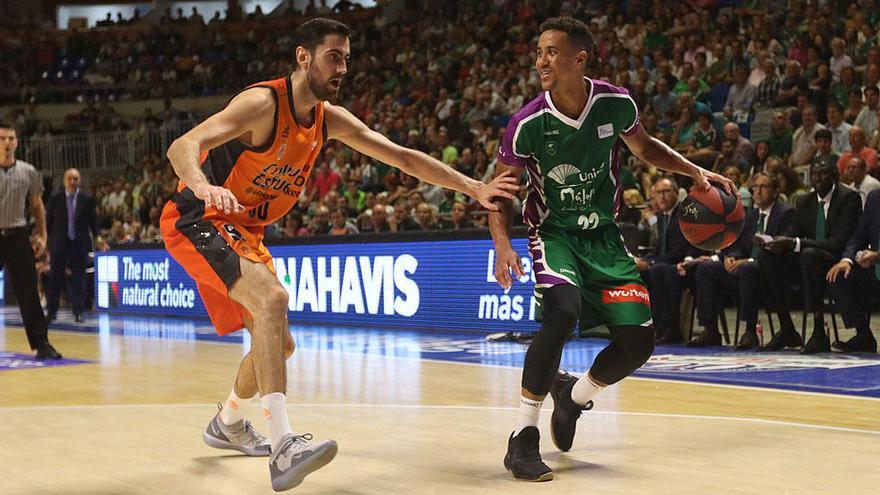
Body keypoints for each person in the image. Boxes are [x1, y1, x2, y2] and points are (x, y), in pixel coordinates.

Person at [159, 18, 518, 492]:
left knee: (278, 346)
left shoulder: (329, 119)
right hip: (199, 218)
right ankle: (284, 445)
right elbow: (183, 144)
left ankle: (226, 422)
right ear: (303, 57)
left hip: (246, 229)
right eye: (334, 56)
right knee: (272, 301)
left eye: (347, 58)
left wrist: (473, 186)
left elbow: (402, 156)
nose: (343, 67)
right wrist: (205, 187)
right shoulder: (263, 104)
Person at [489, 17, 733, 482]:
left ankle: (573, 397)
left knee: (639, 343)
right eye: (538, 51)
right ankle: (522, 437)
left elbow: (645, 148)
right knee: (561, 309)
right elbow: (498, 194)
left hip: (603, 236)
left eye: (551, 52)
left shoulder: (614, 103)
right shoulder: (526, 124)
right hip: (554, 234)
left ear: (579, 59)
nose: (540, 60)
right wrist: (503, 244)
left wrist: (693, 172)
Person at [758, 161, 862, 354]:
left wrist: (795, 243)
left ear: (834, 176)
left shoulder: (849, 198)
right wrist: (775, 243)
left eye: (823, 174)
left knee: (808, 254)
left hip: (837, 261)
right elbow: (793, 232)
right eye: (814, 174)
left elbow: (838, 243)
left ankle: (818, 333)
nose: (818, 178)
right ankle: (787, 329)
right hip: (810, 261)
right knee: (767, 258)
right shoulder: (805, 201)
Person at [690, 173, 793, 349]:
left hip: (771, 272)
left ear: (776, 191)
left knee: (748, 270)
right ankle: (710, 329)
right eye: (755, 187)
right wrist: (732, 257)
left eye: (764, 187)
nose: (757, 192)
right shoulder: (751, 215)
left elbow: (781, 248)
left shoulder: (785, 213)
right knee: (706, 269)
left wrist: (748, 260)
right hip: (744, 267)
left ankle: (750, 331)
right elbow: (739, 244)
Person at [0, 122, 61, 359]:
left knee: (28, 292)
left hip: (17, 235)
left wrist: (42, 235)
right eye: (2, 138)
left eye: (11, 138)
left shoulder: (28, 171)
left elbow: (37, 205)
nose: (7, 143)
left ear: (16, 142)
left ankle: (41, 343)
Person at [825, 189, 880, 353]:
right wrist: (846, 260)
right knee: (838, 276)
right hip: (876, 270)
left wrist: (877, 255)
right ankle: (863, 335)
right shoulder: (875, 197)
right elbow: (858, 235)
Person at [46, 168, 98, 323]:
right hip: (59, 244)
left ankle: (78, 312)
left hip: (79, 244)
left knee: (79, 279)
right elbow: (49, 223)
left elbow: (93, 222)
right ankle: (52, 312)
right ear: (64, 180)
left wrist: (98, 237)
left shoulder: (86, 199)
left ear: (79, 180)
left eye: (75, 179)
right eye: (70, 178)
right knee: (55, 278)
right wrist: (48, 243)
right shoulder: (55, 198)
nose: (73, 182)